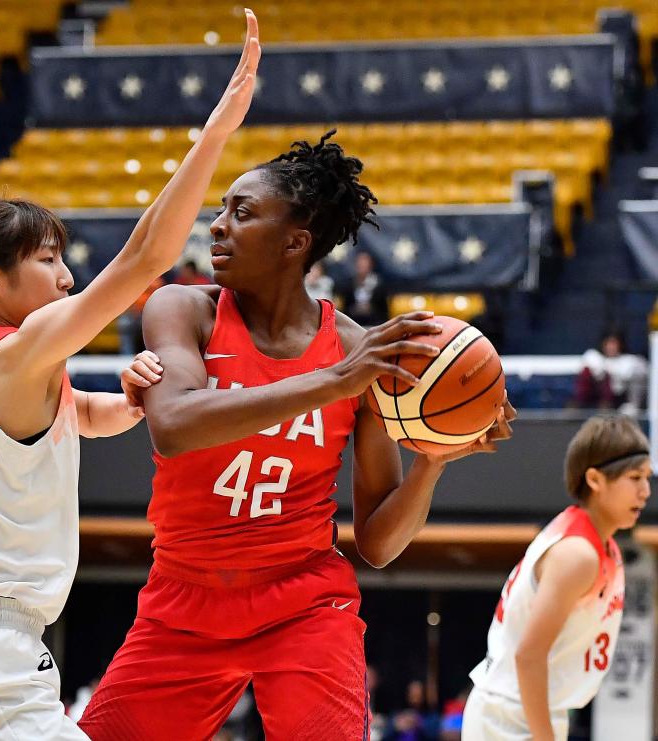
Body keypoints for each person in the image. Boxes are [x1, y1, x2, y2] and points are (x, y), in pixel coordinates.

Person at [0, 12, 261, 740]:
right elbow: (145, 260)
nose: (67, 276)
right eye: (48, 260)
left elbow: (86, 413)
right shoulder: (22, 349)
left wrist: (130, 396)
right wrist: (215, 133)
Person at [79, 130, 515, 739]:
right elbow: (173, 427)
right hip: (183, 596)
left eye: (242, 212)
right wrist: (332, 382)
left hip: (304, 604)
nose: (218, 226)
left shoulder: (361, 351)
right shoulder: (183, 309)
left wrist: (433, 463)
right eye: (222, 209)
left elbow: (379, 545)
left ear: (295, 241)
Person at [463, 415, 650, 740]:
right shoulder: (576, 554)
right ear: (595, 479)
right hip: (509, 716)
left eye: (647, 478)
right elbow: (529, 655)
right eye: (635, 477)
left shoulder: (596, 544)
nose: (645, 491)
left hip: (532, 708)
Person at [570, 330, 647, 415]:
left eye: (614, 344)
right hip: (592, 401)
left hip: (618, 403)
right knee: (587, 372)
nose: (611, 347)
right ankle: (576, 410)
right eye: (608, 344)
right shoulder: (594, 357)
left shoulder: (629, 361)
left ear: (620, 345)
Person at [340, 249, 387, 326]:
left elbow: (383, 311)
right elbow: (345, 308)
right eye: (360, 264)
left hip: (373, 322)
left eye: (364, 264)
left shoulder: (379, 284)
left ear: (370, 265)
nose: (362, 267)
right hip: (353, 321)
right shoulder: (349, 284)